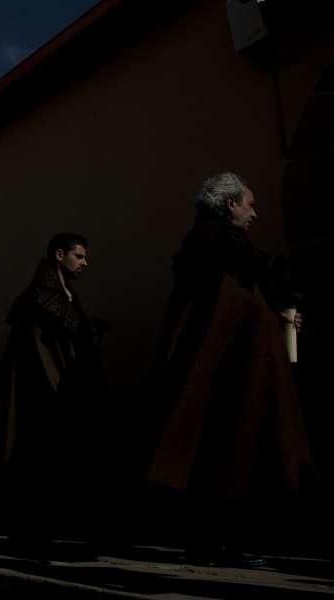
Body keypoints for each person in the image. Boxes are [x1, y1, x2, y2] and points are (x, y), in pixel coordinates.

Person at [144, 173, 314, 566]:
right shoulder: (214, 239)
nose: (254, 212)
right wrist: (285, 295)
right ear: (229, 205)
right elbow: (259, 271)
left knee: (229, 448)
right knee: (222, 447)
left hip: (228, 366)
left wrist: (278, 315)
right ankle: (212, 544)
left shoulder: (218, 244)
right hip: (220, 369)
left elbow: (242, 291)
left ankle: (220, 543)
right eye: (248, 204)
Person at [0, 233, 107, 546]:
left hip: (63, 389)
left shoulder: (67, 295)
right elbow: (36, 349)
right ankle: (30, 530)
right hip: (42, 394)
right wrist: (58, 385)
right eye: (79, 256)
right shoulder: (39, 297)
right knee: (36, 455)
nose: (85, 263)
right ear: (60, 255)